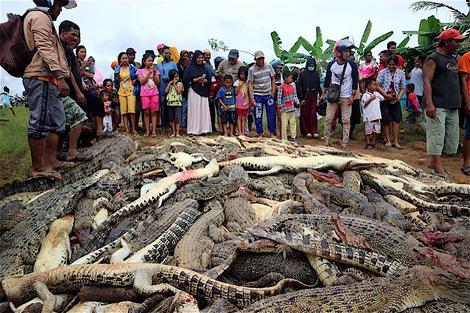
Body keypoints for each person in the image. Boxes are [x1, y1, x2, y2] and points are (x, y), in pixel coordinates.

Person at [23, 0, 74, 179]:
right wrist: (60, 77)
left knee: (56, 122)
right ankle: (38, 167)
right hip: (41, 76)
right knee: (40, 122)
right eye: (59, 6)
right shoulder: (39, 17)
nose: (60, 10)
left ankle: (50, 160)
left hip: (49, 78)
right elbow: (45, 49)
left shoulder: (44, 18)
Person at [423, 29, 465, 178]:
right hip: (437, 103)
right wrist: (429, 103)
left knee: (451, 138)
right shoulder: (433, 58)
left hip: (452, 104)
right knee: (437, 135)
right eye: (456, 41)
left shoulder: (454, 59)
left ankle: (433, 161)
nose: (459, 44)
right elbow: (427, 81)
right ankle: (437, 164)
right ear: (447, 42)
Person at [58, 20, 88, 161]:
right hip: (58, 89)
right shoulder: (57, 47)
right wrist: (77, 91)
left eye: (78, 35)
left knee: (60, 123)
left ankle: (59, 154)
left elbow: (71, 71)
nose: (76, 38)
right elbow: (67, 72)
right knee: (79, 116)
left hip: (64, 89)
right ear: (62, 33)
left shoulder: (68, 50)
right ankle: (71, 152)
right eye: (73, 34)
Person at [321, 40, 358, 150]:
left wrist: (352, 96)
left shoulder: (352, 65)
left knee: (346, 120)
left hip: (347, 97)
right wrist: (322, 94)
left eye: (349, 51)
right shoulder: (331, 65)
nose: (348, 53)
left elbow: (355, 82)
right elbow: (327, 81)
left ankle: (344, 143)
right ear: (339, 52)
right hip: (333, 96)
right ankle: (326, 140)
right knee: (328, 119)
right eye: (345, 51)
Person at [377, 55, 406, 149]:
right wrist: (385, 95)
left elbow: (403, 87)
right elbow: (377, 86)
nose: (391, 66)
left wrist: (399, 98)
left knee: (396, 120)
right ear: (387, 64)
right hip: (385, 99)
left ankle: (396, 141)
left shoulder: (401, 73)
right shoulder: (382, 72)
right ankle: (388, 140)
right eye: (390, 64)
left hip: (395, 99)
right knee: (386, 120)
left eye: (393, 65)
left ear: (397, 64)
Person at [76, 45, 104, 136]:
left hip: (90, 88)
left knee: (99, 102)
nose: (83, 54)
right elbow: (77, 75)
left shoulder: (89, 63)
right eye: (81, 52)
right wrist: (83, 68)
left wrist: (83, 70)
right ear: (77, 53)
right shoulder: (75, 62)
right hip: (78, 89)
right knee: (83, 109)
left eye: (85, 52)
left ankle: (99, 131)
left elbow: (92, 76)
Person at [248, 50, 276, 137]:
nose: (261, 61)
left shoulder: (269, 66)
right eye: (259, 59)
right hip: (258, 95)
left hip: (268, 94)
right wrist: (252, 98)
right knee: (258, 114)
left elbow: (273, 78)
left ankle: (272, 132)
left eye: (262, 59)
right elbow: (250, 83)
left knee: (271, 113)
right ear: (255, 60)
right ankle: (260, 132)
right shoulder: (251, 70)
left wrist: (273, 91)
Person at [183, 50, 211, 135]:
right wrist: (196, 80)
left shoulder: (205, 68)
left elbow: (209, 79)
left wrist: (205, 80)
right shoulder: (190, 68)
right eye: (199, 58)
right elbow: (186, 80)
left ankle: (204, 129)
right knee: (194, 110)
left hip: (203, 91)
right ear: (195, 58)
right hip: (194, 91)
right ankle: (194, 129)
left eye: (202, 58)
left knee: (203, 110)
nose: (200, 59)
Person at [137, 53, 160, 137]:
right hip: (144, 94)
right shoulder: (139, 71)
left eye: (152, 61)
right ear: (144, 61)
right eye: (149, 60)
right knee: (146, 112)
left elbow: (157, 83)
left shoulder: (156, 71)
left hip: (154, 93)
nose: (150, 62)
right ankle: (147, 131)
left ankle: (153, 131)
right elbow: (142, 82)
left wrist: (154, 74)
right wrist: (148, 73)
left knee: (153, 112)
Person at [114, 52, 138, 135]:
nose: (125, 60)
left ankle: (133, 129)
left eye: (126, 58)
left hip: (131, 90)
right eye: (123, 58)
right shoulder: (117, 68)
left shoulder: (133, 68)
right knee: (124, 111)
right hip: (121, 91)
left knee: (131, 110)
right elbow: (116, 82)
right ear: (120, 60)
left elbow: (137, 77)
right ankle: (127, 129)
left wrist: (135, 80)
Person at [298, 57, 321, 138]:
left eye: (313, 65)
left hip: (314, 94)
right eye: (310, 65)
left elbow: (318, 86)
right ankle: (306, 131)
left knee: (313, 113)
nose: (311, 66)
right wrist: (301, 98)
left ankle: (313, 130)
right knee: (305, 113)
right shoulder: (302, 74)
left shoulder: (316, 74)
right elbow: (299, 87)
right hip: (305, 95)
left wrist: (321, 95)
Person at [157, 46, 178, 129]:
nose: (168, 55)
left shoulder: (173, 64)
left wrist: (170, 80)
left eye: (169, 53)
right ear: (162, 54)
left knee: (170, 107)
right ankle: (164, 125)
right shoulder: (158, 65)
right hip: (161, 88)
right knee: (162, 107)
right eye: (166, 53)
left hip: (171, 89)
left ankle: (170, 125)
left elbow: (176, 75)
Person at [361, 79, 383, 149]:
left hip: (377, 116)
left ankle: (373, 143)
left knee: (376, 131)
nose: (376, 86)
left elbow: (382, 98)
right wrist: (371, 99)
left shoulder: (377, 94)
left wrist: (378, 90)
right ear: (368, 86)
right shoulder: (365, 95)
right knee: (368, 131)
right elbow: (364, 104)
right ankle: (368, 143)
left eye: (376, 85)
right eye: (374, 85)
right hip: (369, 117)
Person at [458, 45, 470, 176]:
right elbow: (463, 81)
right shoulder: (467, 57)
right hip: (469, 98)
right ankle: (467, 163)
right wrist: (467, 101)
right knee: (469, 133)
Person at [277, 71, 299, 142]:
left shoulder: (292, 86)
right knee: (284, 124)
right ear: (285, 78)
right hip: (284, 109)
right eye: (290, 78)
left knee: (293, 123)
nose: (291, 79)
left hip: (292, 108)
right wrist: (280, 107)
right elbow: (279, 98)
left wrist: (297, 102)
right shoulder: (281, 87)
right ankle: (284, 139)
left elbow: (295, 95)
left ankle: (293, 137)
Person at [166, 69, 184, 137]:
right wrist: (169, 84)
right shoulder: (169, 84)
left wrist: (174, 84)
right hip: (170, 103)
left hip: (177, 103)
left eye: (177, 76)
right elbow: (166, 91)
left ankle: (178, 132)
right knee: (172, 118)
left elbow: (179, 92)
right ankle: (173, 132)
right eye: (174, 77)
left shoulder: (180, 84)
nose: (176, 78)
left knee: (177, 118)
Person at [234, 66, 250, 136]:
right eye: (241, 74)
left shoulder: (247, 82)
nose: (242, 76)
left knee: (244, 118)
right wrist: (240, 85)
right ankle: (239, 131)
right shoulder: (237, 82)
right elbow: (236, 92)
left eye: (244, 74)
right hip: (239, 103)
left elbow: (249, 92)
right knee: (239, 117)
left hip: (245, 102)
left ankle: (243, 132)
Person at [177, 50, 190, 128]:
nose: (185, 57)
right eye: (183, 56)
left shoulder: (189, 66)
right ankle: (179, 125)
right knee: (179, 108)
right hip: (178, 89)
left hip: (187, 89)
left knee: (185, 108)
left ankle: (184, 124)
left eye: (186, 56)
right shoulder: (177, 65)